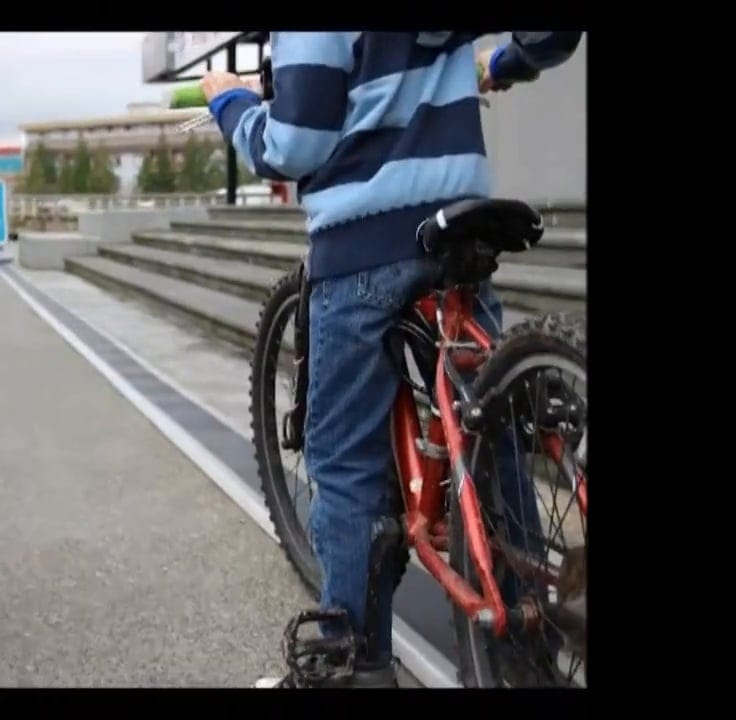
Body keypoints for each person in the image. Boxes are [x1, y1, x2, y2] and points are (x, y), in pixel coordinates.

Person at [201, 31, 583, 687]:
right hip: (463, 224)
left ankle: (353, 664)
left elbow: (297, 142)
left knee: (345, 461)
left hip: (365, 244)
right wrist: (507, 60)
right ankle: (527, 647)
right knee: (492, 433)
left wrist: (231, 104)